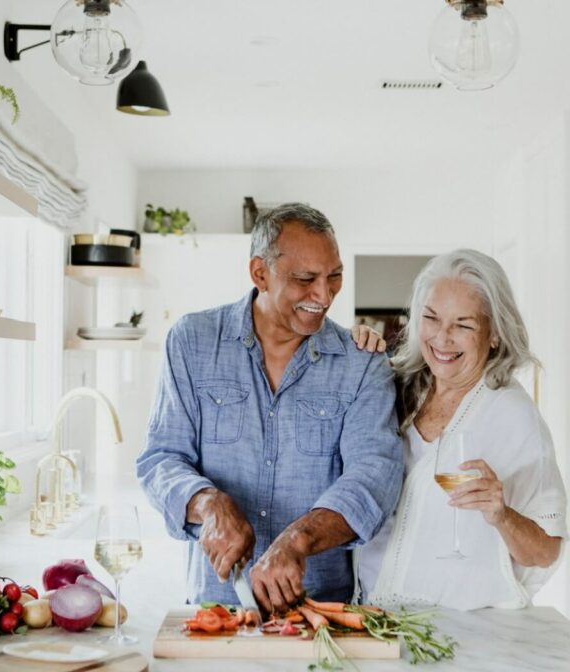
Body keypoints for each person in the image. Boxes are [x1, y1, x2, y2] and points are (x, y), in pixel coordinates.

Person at [137, 203, 403, 613]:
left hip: (320, 612)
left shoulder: (362, 362)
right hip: (214, 608)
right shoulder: (192, 342)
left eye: (334, 277)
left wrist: (298, 540)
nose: (324, 295)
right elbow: (161, 458)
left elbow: (374, 478)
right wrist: (208, 503)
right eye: (305, 279)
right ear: (260, 273)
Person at [356, 249, 567, 610]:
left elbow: (545, 551)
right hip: (371, 615)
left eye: (463, 325)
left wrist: (502, 515)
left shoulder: (513, 417)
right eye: (432, 318)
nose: (442, 338)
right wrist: (353, 351)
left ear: (495, 334)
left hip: (460, 632)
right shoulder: (395, 386)